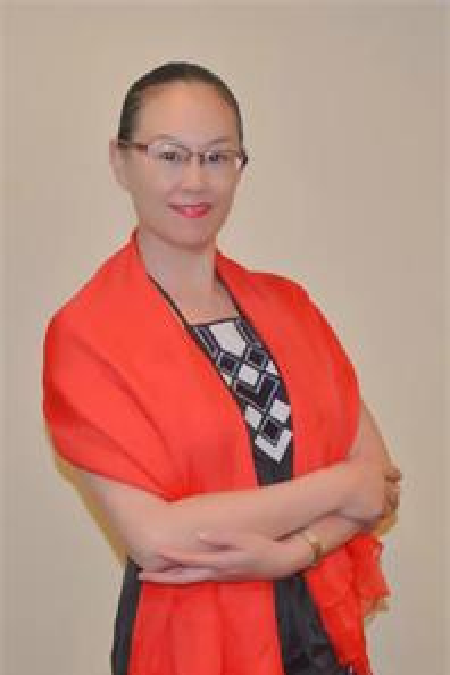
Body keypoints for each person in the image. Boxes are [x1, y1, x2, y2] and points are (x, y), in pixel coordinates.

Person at [42, 62, 401, 675]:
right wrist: (340, 489)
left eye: (217, 157)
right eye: (169, 155)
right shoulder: (88, 336)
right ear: (121, 162)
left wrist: (293, 554)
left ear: (240, 167)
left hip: (316, 630)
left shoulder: (290, 308)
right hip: (191, 643)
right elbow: (158, 537)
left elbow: (380, 483)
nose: (195, 180)